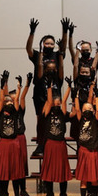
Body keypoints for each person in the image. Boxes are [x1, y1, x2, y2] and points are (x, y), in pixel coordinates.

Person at [25, 17, 68, 156]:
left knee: (55, 117)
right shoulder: (38, 55)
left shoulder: (57, 55)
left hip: (54, 91)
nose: (49, 45)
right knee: (41, 119)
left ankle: (55, 139)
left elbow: (63, 49)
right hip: (39, 92)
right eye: (47, 43)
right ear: (43, 44)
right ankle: (41, 144)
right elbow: (28, 49)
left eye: (51, 43)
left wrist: (65, 32)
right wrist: (32, 32)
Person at [0, 71, 27, 196]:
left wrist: (19, 87)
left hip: (14, 144)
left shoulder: (15, 113)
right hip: (4, 144)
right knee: (3, 172)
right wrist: (2, 86)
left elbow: (17, 100)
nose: (8, 102)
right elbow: (1, 100)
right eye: (6, 101)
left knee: (16, 172)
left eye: (10, 101)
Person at [40, 75, 72, 196]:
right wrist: (49, 87)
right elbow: (48, 101)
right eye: (55, 104)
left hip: (60, 145)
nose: (57, 105)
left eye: (58, 104)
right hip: (50, 145)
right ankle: (50, 195)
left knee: (62, 172)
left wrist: (69, 88)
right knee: (49, 171)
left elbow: (64, 102)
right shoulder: (47, 114)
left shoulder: (62, 114)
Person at [74, 86, 98, 196]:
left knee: (94, 178)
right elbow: (77, 109)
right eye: (85, 109)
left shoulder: (95, 120)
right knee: (84, 179)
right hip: (83, 151)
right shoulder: (80, 119)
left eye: (90, 108)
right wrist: (75, 97)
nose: (87, 110)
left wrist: (97, 97)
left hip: (92, 151)